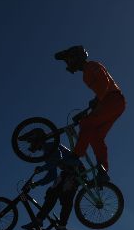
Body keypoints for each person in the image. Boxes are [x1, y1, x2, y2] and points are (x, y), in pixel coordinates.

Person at [53, 45, 126, 175]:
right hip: (113, 103)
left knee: (86, 123)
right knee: (95, 136)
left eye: (69, 60)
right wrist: (90, 107)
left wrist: (96, 101)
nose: (68, 63)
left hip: (113, 100)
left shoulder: (91, 66)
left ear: (77, 57)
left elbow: (104, 83)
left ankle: (75, 157)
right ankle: (102, 171)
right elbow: (100, 93)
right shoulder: (85, 76)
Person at [21, 143, 84, 230]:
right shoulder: (46, 154)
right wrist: (37, 183)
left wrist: (41, 168)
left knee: (66, 196)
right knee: (52, 192)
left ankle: (62, 227)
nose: (35, 149)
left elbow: (56, 160)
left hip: (77, 169)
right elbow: (52, 175)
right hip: (67, 172)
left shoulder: (50, 146)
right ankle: (39, 219)